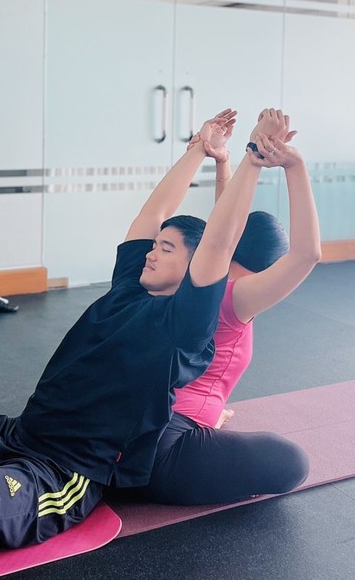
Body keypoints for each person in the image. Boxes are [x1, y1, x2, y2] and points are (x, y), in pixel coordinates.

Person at [0, 106, 276, 580]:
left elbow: (220, 243)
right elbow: (153, 213)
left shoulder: (184, 327)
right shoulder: (129, 287)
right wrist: (197, 151)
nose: (151, 252)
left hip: (61, 472)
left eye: (166, 249)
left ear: (194, 269)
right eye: (154, 245)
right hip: (17, 434)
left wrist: (251, 159)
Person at [131, 114, 321, 506]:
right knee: (291, 462)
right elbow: (307, 254)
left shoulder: (191, 277)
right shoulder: (237, 298)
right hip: (167, 447)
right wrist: (295, 165)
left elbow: (223, 230)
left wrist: (222, 163)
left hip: (131, 428)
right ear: (268, 267)